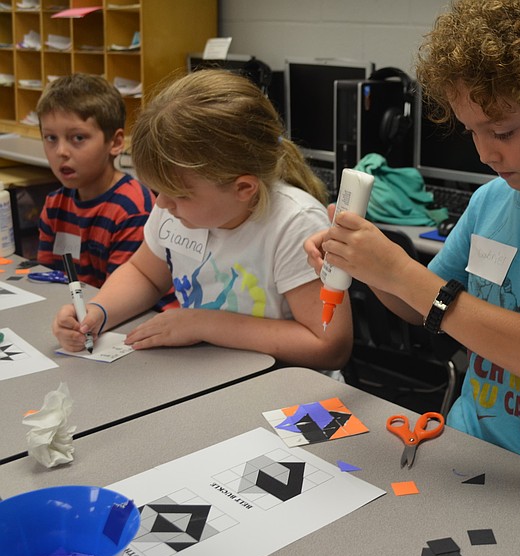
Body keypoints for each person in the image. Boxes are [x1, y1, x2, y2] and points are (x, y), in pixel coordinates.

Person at [305, 0, 520, 492]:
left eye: (502, 132)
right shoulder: (492, 199)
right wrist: (368, 267)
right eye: (472, 131)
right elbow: (420, 308)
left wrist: (400, 271)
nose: (485, 153)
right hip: (467, 448)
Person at [52, 69, 353, 371]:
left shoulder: (295, 225)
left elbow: (328, 345)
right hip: (209, 372)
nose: (161, 204)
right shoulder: (176, 207)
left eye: (178, 195)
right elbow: (145, 274)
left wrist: (203, 324)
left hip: (286, 392)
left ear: (243, 189)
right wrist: (97, 312)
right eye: (159, 191)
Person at [36, 73, 154, 288]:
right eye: (51, 138)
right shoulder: (55, 204)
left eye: (78, 138)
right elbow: (48, 279)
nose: (61, 151)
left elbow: (122, 296)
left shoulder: (131, 208)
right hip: (77, 311)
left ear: (115, 142)